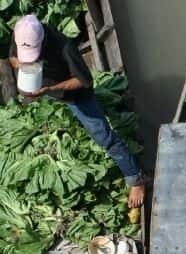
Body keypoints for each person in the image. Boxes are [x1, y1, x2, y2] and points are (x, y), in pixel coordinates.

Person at [9, 15, 145, 208]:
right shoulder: (22, 34)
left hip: (77, 96)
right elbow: (12, 57)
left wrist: (50, 89)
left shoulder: (63, 46)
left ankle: (136, 179)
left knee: (104, 136)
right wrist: (21, 65)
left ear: (42, 40)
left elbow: (84, 80)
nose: (33, 59)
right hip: (46, 90)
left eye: (34, 55)